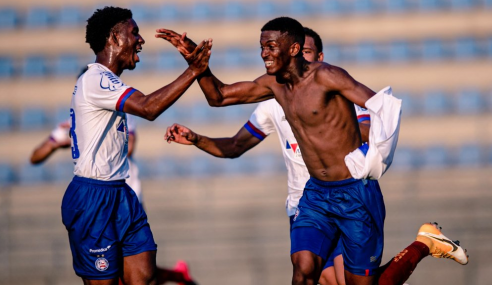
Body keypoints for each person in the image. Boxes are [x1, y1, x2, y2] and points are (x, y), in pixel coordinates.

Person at [158, 17, 468, 285]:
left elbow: (382, 106)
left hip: (355, 194)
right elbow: (219, 96)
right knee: (303, 270)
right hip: (315, 194)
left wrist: (374, 158)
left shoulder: (327, 77)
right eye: (261, 47)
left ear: (294, 50)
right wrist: (196, 65)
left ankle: (423, 244)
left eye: (271, 47)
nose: (264, 53)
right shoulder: (274, 85)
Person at [164, 27, 369, 285]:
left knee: (348, 281)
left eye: (307, 52)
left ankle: (416, 250)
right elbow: (234, 144)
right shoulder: (275, 99)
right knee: (310, 275)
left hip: (346, 195)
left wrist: (324, 125)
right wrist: (197, 139)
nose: (302, 59)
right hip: (305, 203)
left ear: (320, 56)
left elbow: (370, 130)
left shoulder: (338, 88)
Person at [62, 6, 210, 285]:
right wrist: (194, 70)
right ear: (114, 38)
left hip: (121, 191)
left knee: (144, 276)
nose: (140, 39)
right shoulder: (95, 79)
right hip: (93, 196)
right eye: (134, 33)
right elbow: (148, 108)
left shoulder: (110, 82)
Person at [30, 115, 198, 285]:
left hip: (127, 199)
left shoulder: (119, 113)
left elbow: (130, 147)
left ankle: (176, 275)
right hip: (96, 203)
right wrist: (56, 144)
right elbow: (35, 157)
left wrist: (92, 141)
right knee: (115, 269)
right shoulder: (75, 121)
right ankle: (177, 275)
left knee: (134, 269)